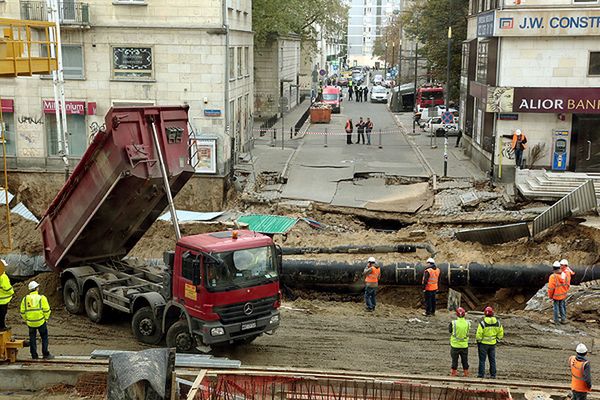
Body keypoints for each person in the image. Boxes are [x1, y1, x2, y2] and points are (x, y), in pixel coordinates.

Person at [20, 281, 53, 359]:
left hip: (31, 323)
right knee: (44, 337)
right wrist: (46, 318)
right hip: (41, 321)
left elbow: (22, 311)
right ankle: (45, 354)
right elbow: (47, 310)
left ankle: (34, 355)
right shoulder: (42, 298)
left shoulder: (25, 299)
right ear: (36, 288)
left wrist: (27, 319)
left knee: (32, 338)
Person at [476, 306, 504, 379]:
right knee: (492, 360)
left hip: (483, 344)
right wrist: (497, 339)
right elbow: (501, 333)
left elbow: (478, 335)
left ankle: (481, 375)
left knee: (482, 360)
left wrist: (479, 341)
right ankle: (493, 375)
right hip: (492, 344)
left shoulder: (482, 323)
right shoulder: (498, 323)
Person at [449, 307, 471, 377]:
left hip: (455, 345)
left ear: (457, 315)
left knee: (454, 360)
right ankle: (466, 373)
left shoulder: (453, 323)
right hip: (464, 345)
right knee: (465, 360)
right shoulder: (468, 323)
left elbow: (450, 331)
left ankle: (453, 373)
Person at [0, 259, 14, 331]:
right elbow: (7, 288)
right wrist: (12, 292)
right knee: (2, 314)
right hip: (3, 300)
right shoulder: (3, 276)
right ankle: (2, 327)